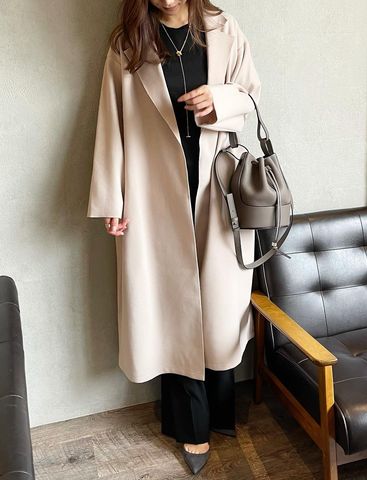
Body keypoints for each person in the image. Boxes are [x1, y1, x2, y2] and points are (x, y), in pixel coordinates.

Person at [86, 0, 261, 474]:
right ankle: (191, 427)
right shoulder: (128, 43)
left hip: (217, 189)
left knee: (219, 309)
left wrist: (218, 101)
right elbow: (111, 121)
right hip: (153, 194)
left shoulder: (224, 29)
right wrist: (112, 199)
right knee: (171, 307)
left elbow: (250, 96)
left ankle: (221, 412)